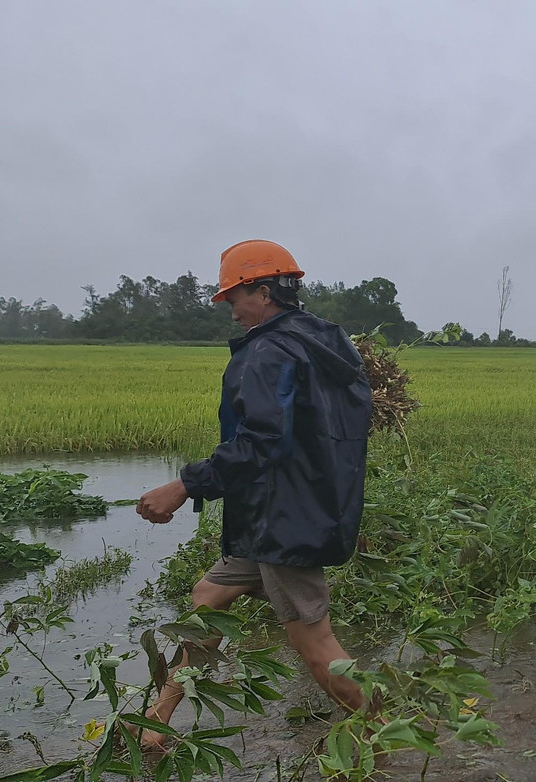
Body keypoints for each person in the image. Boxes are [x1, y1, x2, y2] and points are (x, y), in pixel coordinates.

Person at [135, 239, 372, 748]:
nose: (232, 311)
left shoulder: (269, 350)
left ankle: (390, 735)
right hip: (288, 508)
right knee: (210, 599)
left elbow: (262, 439)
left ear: (264, 293)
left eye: (235, 298)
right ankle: (155, 724)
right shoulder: (323, 342)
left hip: (283, 516)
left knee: (313, 641)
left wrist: (185, 484)